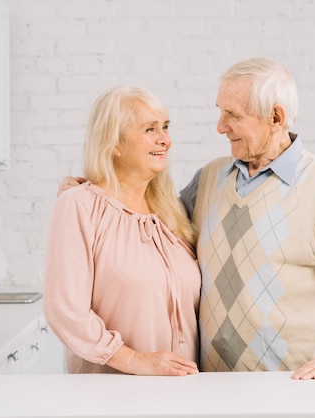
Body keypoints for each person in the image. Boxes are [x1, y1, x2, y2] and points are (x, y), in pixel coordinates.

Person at [59, 57, 315, 380]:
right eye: (220, 112)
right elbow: (146, 228)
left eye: (233, 115)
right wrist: (95, 192)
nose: (220, 126)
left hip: (294, 390)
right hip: (208, 390)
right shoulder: (209, 179)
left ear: (275, 117)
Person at [45, 85, 201, 376]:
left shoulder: (172, 211)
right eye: (150, 129)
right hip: (112, 395)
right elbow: (65, 311)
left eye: (165, 127)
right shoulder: (79, 206)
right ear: (115, 143)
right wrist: (135, 361)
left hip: (183, 392)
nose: (164, 139)